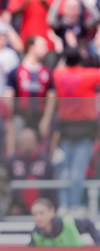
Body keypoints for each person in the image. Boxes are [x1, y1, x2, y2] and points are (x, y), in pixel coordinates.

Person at [52, 48, 100, 216]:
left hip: (65, 128)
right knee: (77, 170)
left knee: (65, 169)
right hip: (85, 128)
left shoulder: (58, 75)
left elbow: (58, 68)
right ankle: (74, 205)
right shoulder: (89, 75)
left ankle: (64, 204)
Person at [6, 128, 55, 215]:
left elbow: (53, 187)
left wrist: (50, 206)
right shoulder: (11, 162)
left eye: (30, 140)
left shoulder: (45, 161)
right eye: (24, 140)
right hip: (18, 210)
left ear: (36, 141)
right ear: (19, 142)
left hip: (42, 209)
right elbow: (6, 185)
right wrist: (11, 206)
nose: (27, 143)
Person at [30, 198, 100, 246]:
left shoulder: (68, 223)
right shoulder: (36, 234)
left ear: (52, 212)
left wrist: (98, 242)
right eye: (34, 214)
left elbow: (89, 224)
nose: (38, 218)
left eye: (41, 213)